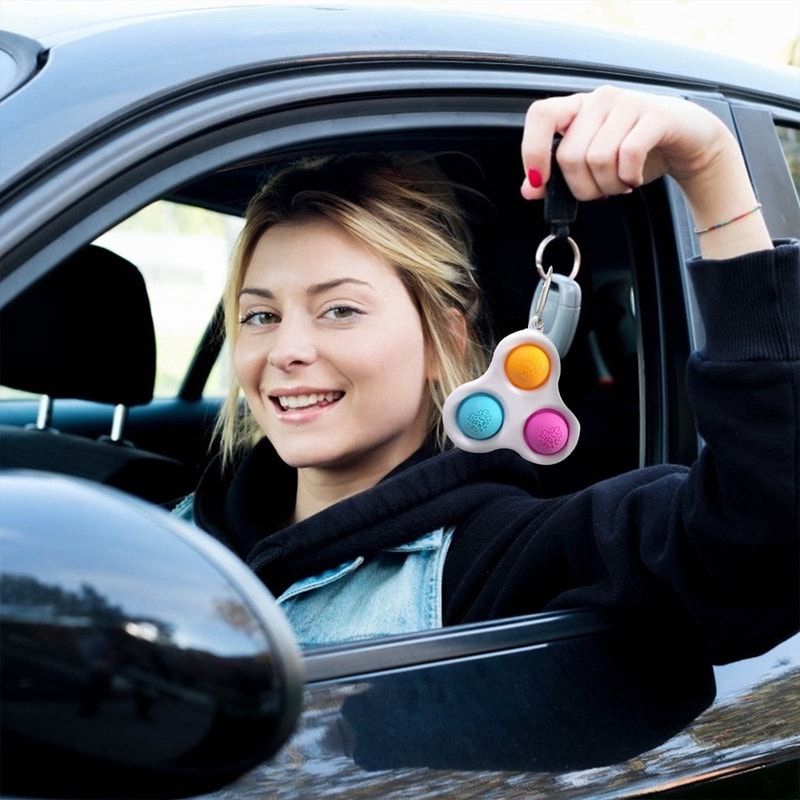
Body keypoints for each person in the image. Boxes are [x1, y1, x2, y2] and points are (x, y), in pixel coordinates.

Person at [174, 86, 799, 665]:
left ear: (443, 339)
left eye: (340, 310)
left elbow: (761, 539)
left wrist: (709, 165)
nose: (285, 350)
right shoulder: (176, 529)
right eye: (261, 315)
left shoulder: (494, 557)